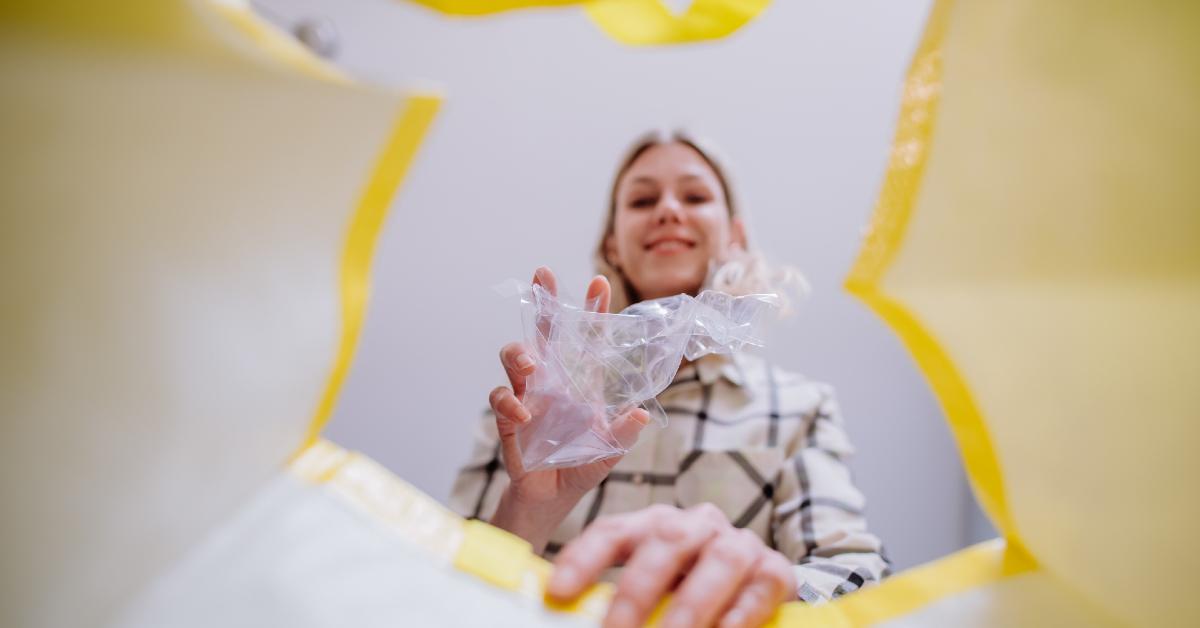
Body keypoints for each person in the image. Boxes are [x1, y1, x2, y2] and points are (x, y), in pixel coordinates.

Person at [450, 130, 887, 628]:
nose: (668, 210)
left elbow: (857, 577)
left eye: (695, 196)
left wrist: (778, 582)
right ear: (612, 244)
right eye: (642, 199)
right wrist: (527, 508)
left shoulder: (798, 408)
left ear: (734, 238)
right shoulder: (534, 407)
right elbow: (444, 589)